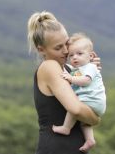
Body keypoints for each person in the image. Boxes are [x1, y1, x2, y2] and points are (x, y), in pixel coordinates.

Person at [27, 11, 100, 154]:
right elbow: (76, 109)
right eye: (58, 47)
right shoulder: (49, 66)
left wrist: (90, 68)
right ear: (41, 50)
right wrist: (95, 119)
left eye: (66, 43)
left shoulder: (67, 69)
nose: (66, 51)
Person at [52, 33, 106, 152]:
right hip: (93, 104)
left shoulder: (90, 67)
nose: (75, 57)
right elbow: (72, 76)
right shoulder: (77, 70)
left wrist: (70, 79)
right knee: (85, 123)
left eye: (79, 54)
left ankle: (66, 128)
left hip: (92, 100)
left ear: (91, 55)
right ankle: (90, 140)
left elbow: (86, 81)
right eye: (71, 55)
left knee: (73, 105)